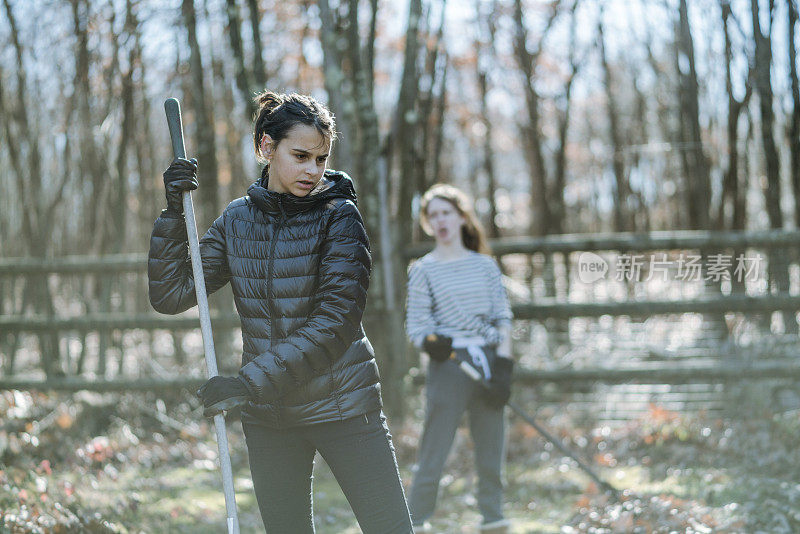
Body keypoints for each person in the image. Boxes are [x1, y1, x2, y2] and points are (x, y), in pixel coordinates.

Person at [148, 91, 413, 533]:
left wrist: (247, 382)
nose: (313, 170)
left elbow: (335, 324)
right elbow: (173, 293)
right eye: (301, 156)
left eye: (321, 159)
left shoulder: (339, 217)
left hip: (343, 405)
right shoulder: (237, 220)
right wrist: (174, 211)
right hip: (271, 417)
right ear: (266, 148)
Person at [405, 184, 514, 534]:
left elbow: (503, 318)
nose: (440, 220)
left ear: (462, 217)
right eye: (432, 215)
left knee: (491, 447)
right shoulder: (423, 270)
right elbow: (417, 326)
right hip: (449, 363)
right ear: (427, 223)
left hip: (488, 361)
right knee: (434, 450)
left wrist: (504, 368)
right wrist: (433, 343)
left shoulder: (485, 266)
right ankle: (416, 521)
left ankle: (493, 517)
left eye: (446, 213)